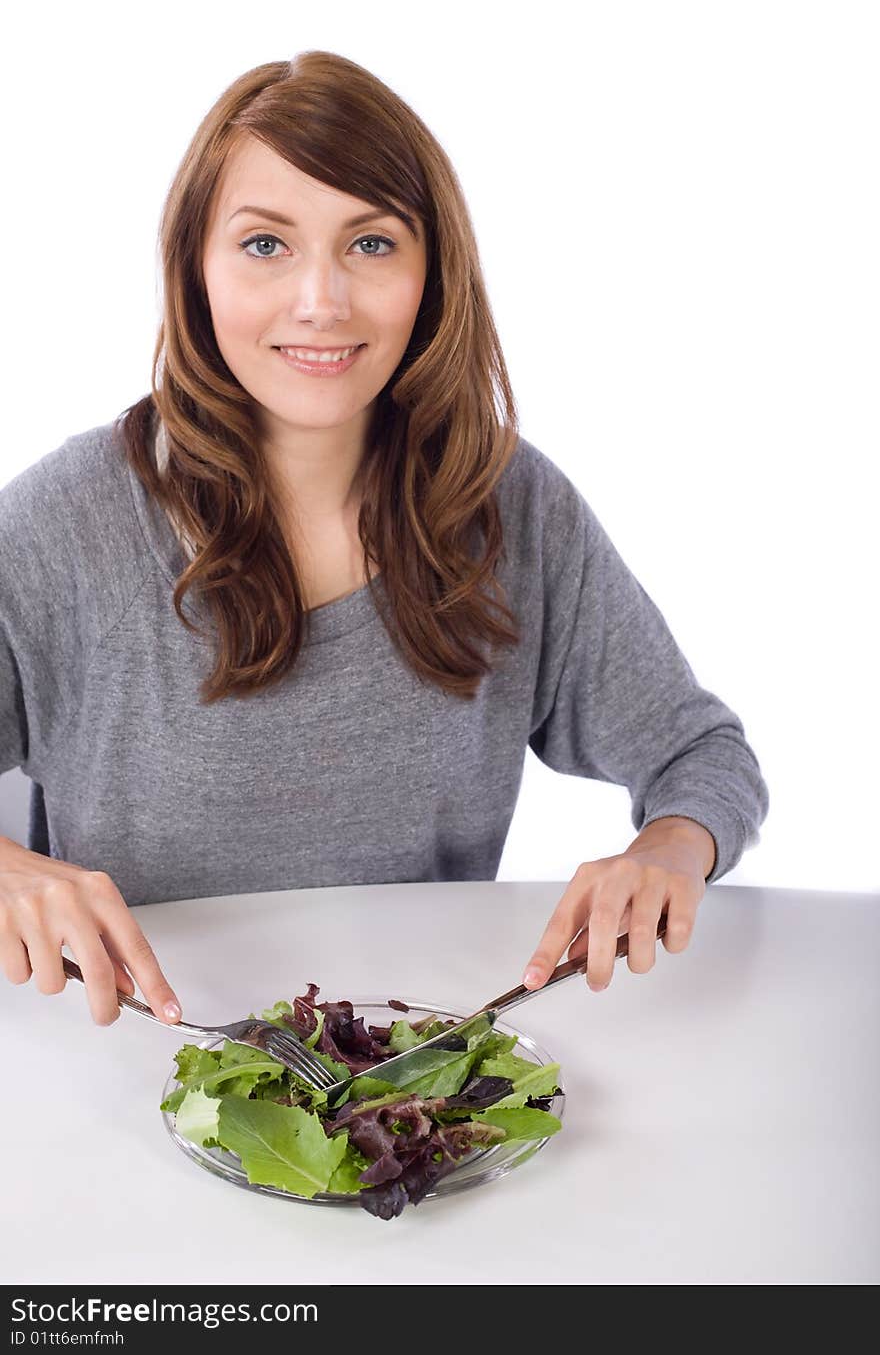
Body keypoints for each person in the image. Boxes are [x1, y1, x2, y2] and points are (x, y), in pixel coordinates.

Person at [0, 51, 769, 1031]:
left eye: (369, 244)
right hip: (126, 1077)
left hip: (403, 1090)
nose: (321, 300)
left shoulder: (510, 508)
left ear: (430, 272)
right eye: (265, 245)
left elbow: (701, 755)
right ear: (195, 267)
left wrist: (670, 847)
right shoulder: (69, 523)